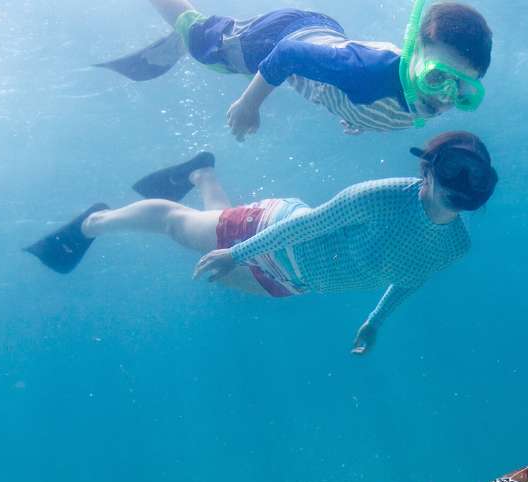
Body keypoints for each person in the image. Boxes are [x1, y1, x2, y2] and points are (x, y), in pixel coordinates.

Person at [25, 132, 497, 356]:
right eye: (455, 169)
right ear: (427, 170)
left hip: (295, 282)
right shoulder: (379, 197)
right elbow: (309, 226)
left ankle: (201, 172)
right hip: (270, 231)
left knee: (216, 272)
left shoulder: (456, 246)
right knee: (178, 226)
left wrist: (374, 323)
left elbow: (409, 280)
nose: (462, 183)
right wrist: (238, 251)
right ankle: (93, 223)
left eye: (474, 177)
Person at [97, 1, 491, 138]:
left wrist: (357, 117)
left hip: (321, 34)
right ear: (413, 52)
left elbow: (388, 105)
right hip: (282, 39)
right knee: (206, 49)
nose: (445, 98)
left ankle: (215, 33)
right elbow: (287, 54)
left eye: (463, 91)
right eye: (437, 78)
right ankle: (187, 27)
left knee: (225, 45)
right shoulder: (368, 72)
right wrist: (249, 105)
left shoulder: (416, 98)